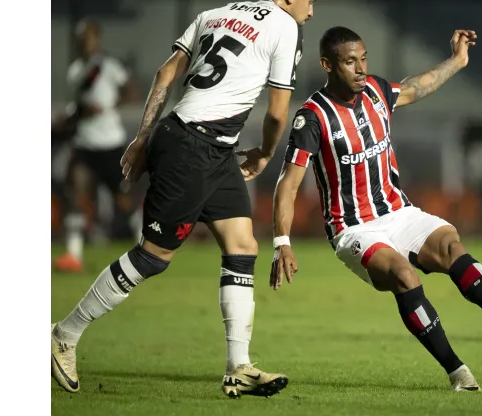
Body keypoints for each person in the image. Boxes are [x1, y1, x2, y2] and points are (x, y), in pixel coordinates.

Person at [51, 0, 315, 399]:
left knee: (242, 245)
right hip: (194, 147)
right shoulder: (285, 26)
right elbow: (278, 113)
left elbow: (166, 72)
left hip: (208, 146)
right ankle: (63, 335)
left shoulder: (215, 13)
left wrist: (143, 137)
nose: (311, 12)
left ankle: (238, 367)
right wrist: (264, 152)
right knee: (152, 257)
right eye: (310, 1)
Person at [270, 26, 482, 391]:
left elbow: (417, 85)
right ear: (327, 65)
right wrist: (281, 242)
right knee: (403, 275)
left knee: (450, 244)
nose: (360, 68)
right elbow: (287, 185)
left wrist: (457, 61)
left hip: (398, 212)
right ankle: (458, 372)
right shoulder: (313, 117)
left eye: (363, 58)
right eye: (350, 61)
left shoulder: (377, 92)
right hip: (354, 228)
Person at [52, 18, 142, 273]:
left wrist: (108, 106)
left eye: (88, 37)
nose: (84, 42)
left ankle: (145, 245)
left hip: (110, 143)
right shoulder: (75, 70)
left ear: (97, 39)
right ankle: (73, 253)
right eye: (81, 39)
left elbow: (132, 91)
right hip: (83, 144)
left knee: (122, 198)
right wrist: (73, 115)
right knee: (74, 191)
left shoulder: (108, 66)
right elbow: (81, 107)